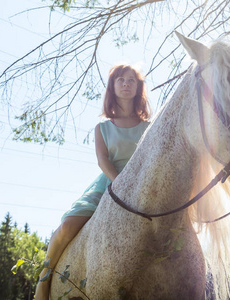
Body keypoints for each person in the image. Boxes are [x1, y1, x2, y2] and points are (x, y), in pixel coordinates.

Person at [35, 64, 151, 300]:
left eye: (131, 80)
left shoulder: (149, 128)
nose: (126, 84)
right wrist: (120, 184)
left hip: (144, 182)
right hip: (110, 181)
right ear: (112, 87)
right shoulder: (103, 128)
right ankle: (44, 280)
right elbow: (102, 160)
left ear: (139, 87)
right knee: (68, 224)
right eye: (120, 80)